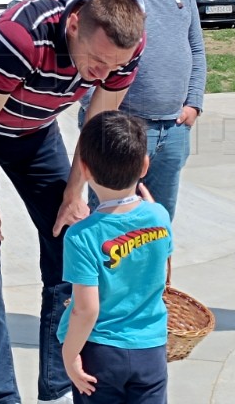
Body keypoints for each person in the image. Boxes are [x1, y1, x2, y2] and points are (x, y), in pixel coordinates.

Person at [0, 0, 146, 404]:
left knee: (72, 246)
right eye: (96, 62)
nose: (100, 75)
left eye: (112, 67)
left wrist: (73, 191)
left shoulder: (124, 48)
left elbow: (97, 121)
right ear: (75, 23)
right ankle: (0, 396)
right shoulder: (18, 39)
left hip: (35, 131)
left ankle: (59, 382)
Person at [64, 0, 206, 220]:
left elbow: (195, 47)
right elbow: (71, 53)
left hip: (173, 129)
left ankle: (159, 275)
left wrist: (194, 103)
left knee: (158, 229)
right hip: (119, 132)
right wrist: (99, 115)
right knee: (109, 229)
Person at [58, 110, 173, 403]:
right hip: (151, 349)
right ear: (145, 165)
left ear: (84, 169)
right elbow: (161, 266)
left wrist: (70, 356)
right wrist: (151, 212)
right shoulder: (159, 215)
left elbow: (86, 310)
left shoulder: (82, 235)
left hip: (101, 351)